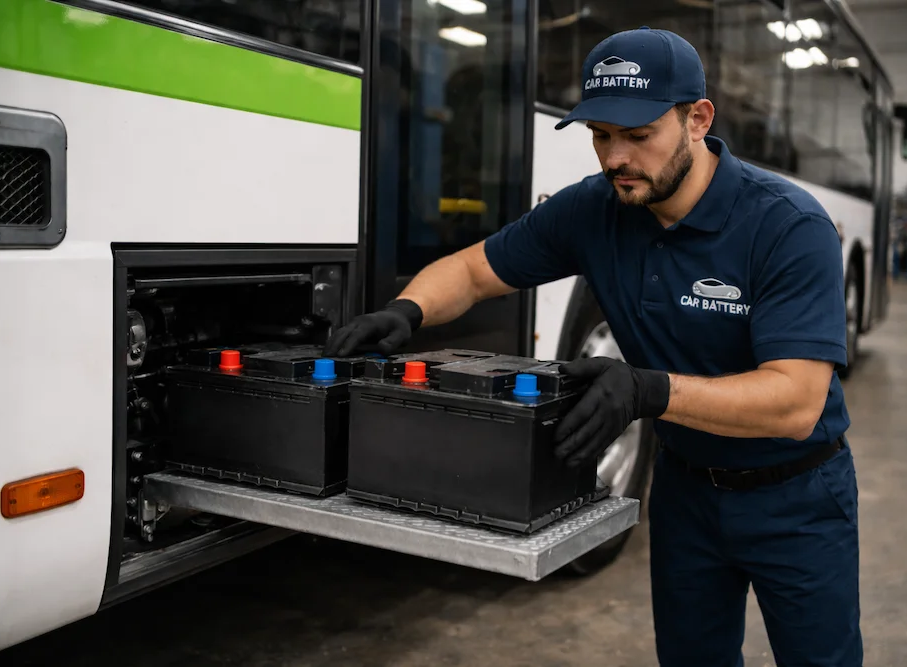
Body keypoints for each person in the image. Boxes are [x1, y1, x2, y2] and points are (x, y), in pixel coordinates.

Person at [325, 26, 861, 667]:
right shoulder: (596, 209)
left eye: (638, 136)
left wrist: (647, 389)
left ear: (697, 119)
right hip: (687, 492)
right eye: (601, 136)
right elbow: (472, 272)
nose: (615, 159)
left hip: (796, 498)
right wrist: (406, 310)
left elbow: (796, 401)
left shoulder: (786, 226)